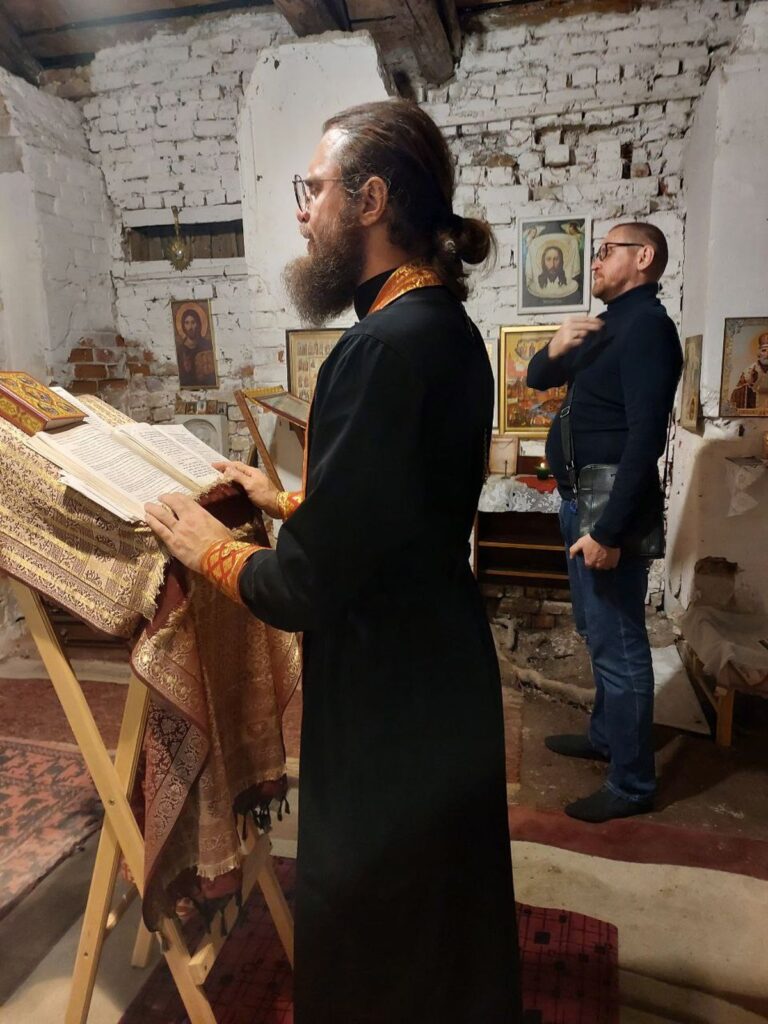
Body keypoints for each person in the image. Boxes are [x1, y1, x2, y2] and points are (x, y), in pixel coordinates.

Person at [145, 99, 520, 1022]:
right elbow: (399, 512)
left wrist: (209, 546)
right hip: (440, 660)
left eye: (312, 189)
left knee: (374, 912)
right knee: (440, 903)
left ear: (371, 200)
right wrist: (281, 499)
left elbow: (307, 585)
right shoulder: (442, 324)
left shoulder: (377, 348)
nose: (302, 210)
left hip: (388, 688)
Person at [527, 222, 682, 824]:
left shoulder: (647, 328)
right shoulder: (606, 325)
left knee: (620, 644)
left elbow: (646, 438)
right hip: (580, 499)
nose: (593, 262)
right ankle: (606, 737)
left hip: (605, 507)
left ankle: (633, 783)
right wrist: (556, 346)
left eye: (606, 251)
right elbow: (537, 379)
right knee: (598, 634)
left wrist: (610, 532)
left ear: (643, 257)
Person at [175, 305, 217, 387]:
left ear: (198, 324)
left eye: (193, 322)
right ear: (183, 326)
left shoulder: (207, 345)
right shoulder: (180, 350)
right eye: (187, 323)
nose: (190, 327)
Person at [730, 331, 768, 410]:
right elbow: (738, 393)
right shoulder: (749, 371)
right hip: (753, 407)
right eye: (764, 350)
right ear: (759, 353)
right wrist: (748, 384)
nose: (767, 354)